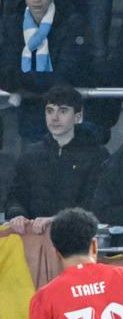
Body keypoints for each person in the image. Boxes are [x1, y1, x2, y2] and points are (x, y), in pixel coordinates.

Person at [6, 85, 107, 234]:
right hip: (34, 236)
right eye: (50, 111)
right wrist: (17, 214)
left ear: (78, 117)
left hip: (77, 237)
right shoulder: (30, 154)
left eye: (63, 111)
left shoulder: (98, 155)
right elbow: (15, 195)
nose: (55, 118)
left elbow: (95, 203)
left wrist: (58, 220)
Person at [0, 0, 92, 142]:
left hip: (63, 109)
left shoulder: (72, 23)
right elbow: (5, 73)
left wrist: (23, 81)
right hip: (29, 114)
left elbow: (68, 73)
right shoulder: (11, 24)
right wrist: (42, 79)